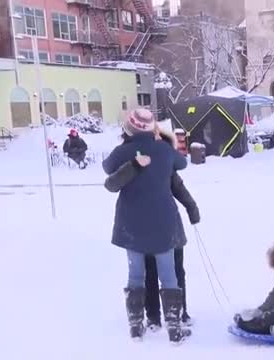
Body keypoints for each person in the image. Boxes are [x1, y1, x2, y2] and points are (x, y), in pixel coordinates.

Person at [102, 108, 191, 344]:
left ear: (129, 128)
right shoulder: (163, 149)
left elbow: (107, 167)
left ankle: (135, 327)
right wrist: (161, 143)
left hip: (132, 224)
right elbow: (182, 163)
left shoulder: (123, 152)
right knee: (169, 275)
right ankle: (174, 328)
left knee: (136, 275)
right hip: (163, 221)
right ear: (153, 128)